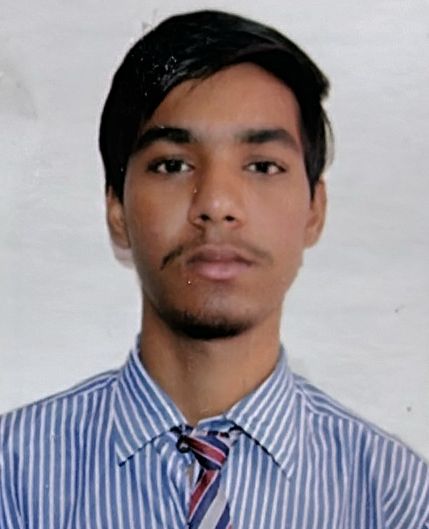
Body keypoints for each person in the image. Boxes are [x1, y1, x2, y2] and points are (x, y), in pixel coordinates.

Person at [0, 9, 428, 529]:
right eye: (173, 165)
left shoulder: (393, 497)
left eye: (262, 166)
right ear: (117, 210)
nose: (217, 204)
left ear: (315, 210)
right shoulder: (13, 476)